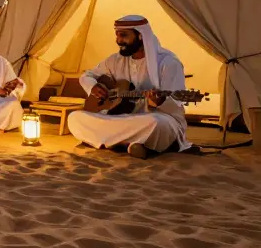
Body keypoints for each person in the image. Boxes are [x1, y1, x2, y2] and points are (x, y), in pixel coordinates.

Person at [67, 15, 191, 159]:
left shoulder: (168, 63)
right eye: (117, 35)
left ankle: (113, 140)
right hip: (122, 117)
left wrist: (160, 102)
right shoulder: (114, 60)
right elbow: (86, 76)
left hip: (156, 119)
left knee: (157, 124)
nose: (119, 41)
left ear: (140, 35)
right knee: (75, 118)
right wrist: (93, 87)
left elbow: (176, 103)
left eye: (124, 35)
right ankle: (134, 143)